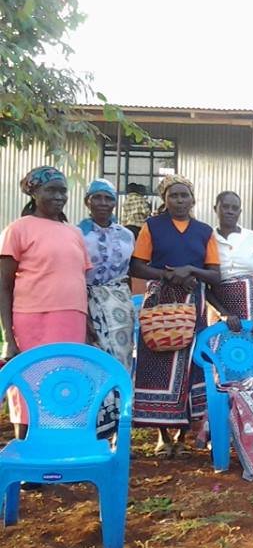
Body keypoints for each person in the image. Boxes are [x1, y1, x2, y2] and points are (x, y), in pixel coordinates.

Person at [129, 174, 220, 457]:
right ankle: (162, 436)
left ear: (193, 200)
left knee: (192, 367)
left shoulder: (204, 231)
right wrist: (169, 275)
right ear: (164, 199)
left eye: (184, 196)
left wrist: (190, 271)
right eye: (174, 195)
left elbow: (215, 273)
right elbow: (138, 267)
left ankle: (182, 435)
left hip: (193, 304)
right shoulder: (152, 227)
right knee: (157, 364)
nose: (180, 201)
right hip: (159, 302)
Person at [0, 166, 91, 440]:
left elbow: (79, 279)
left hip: (72, 319)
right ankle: (27, 453)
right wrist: (8, 336)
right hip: (32, 318)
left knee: (65, 382)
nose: (59, 196)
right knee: (30, 383)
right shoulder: (18, 229)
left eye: (63, 190)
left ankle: (60, 452)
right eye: (51, 190)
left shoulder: (74, 232)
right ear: (34, 192)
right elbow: (4, 285)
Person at [78, 179, 136, 437]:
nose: (103, 203)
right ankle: (93, 431)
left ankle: (118, 433)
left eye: (108, 198)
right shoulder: (77, 233)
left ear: (115, 202)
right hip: (87, 301)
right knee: (93, 364)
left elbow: (130, 273)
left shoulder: (126, 234)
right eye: (97, 197)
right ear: (87, 201)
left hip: (120, 306)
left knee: (121, 364)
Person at [206, 191, 253, 334]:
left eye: (235, 208)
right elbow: (204, 285)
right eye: (225, 207)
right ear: (215, 209)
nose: (230, 211)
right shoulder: (207, 239)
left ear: (240, 211)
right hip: (222, 313)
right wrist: (224, 314)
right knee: (225, 351)